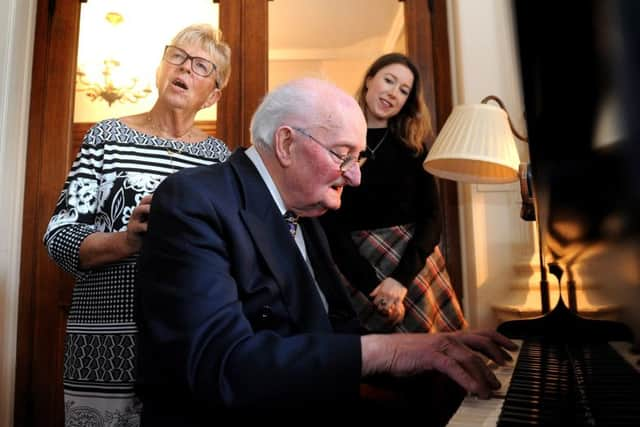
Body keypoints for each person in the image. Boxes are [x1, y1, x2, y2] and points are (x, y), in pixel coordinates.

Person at [135, 77, 517, 422]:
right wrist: (389, 352)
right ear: (287, 143)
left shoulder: (307, 211)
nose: (355, 176)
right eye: (342, 154)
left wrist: (427, 346)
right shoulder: (195, 199)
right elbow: (221, 367)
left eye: (359, 157)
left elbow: (325, 332)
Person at [43, 23, 231, 426]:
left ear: (214, 94)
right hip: (103, 340)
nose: (184, 68)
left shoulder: (219, 160)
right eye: (176, 56)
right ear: (160, 69)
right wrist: (127, 241)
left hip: (183, 345)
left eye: (201, 66)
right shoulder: (105, 137)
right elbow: (59, 233)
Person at [320, 53, 467, 333]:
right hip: (353, 267)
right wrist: (372, 286)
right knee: (366, 367)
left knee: (434, 365)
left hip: (412, 269)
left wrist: (400, 279)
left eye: (403, 90)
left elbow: (432, 217)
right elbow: (329, 224)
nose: (393, 93)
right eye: (389, 80)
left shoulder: (414, 147)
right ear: (369, 80)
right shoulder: (334, 141)